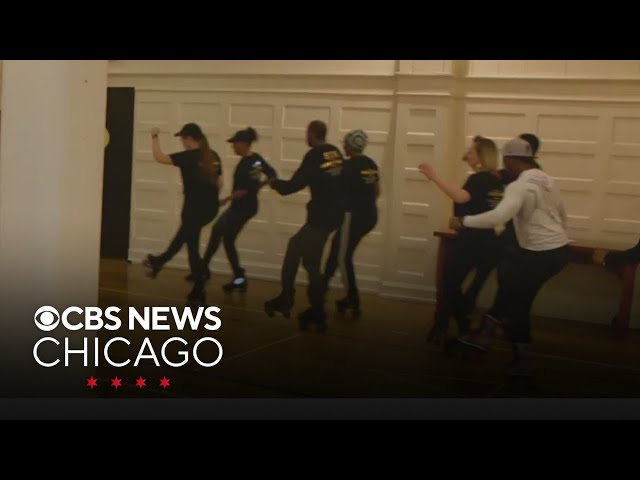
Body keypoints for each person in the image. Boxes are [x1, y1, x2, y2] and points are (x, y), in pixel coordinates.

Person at [455, 137, 570, 379]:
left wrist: (464, 222)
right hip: (558, 251)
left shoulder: (519, 186)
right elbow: (562, 214)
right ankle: (485, 336)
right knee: (510, 293)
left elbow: (498, 216)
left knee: (518, 307)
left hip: (539, 253)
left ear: (509, 159)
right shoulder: (548, 180)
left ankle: (524, 362)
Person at [419, 136, 504, 344]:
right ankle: (450, 325)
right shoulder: (497, 182)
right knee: (462, 287)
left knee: (449, 282)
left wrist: (434, 177)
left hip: (472, 241)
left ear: (482, 156)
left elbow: (460, 197)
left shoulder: (479, 179)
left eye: (472, 152)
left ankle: (461, 325)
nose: (468, 154)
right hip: (490, 243)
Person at [265, 120, 345, 331]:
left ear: (311, 133)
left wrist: (274, 183)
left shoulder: (314, 155)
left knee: (297, 250)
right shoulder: (335, 152)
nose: (305, 137)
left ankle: (288, 299)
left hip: (320, 217)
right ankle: (316, 311)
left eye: (306, 133)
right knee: (310, 262)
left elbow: (293, 186)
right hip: (335, 216)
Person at [189, 127, 277, 292]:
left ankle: (203, 270)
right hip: (244, 206)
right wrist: (257, 186)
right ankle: (238, 276)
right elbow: (271, 175)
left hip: (243, 208)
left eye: (235, 144)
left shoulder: (248, 163)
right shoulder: (255, 160)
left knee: (218, 230)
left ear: (244, 144)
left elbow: (244, 190)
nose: (233, 147)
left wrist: (227, 199)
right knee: (226, 239)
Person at [143, 123, 223, 303]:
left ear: (189, 139)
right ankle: (160, 263)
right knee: (187, 241)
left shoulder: (188, 157)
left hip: (193, 209)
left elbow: (159, 157)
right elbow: (220, 183)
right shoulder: (213, 155)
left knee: (190, 245)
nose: (182, 142)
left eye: (182, 138)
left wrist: (155, 136)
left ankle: (196, 286)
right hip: (210, 209)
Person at [463, 133, 542, 314]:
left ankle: (492, 319)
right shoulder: (516, 174)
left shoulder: (527, 177)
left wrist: (466, 221)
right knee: (488, 276)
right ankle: (477, 312)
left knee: (505, 281)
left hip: (514, 238)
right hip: (503, 234)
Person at [323, 130, 380, 315]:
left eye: (345, 144)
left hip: (353, 217)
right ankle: (322, 287)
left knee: (342, 256)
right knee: (338, 246)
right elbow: (376, 191)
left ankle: (352, 298)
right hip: (370, 215)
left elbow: (336, 191)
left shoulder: (347, 167)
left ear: (349, 145)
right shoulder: (371, 164)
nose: (344, 147)